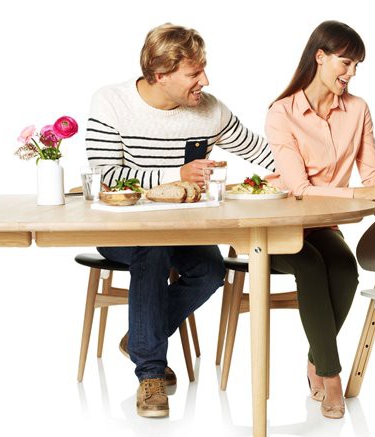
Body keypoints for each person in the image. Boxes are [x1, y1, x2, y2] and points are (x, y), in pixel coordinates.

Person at [84, 23, 275, 418]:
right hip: (120, 229)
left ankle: (141, 337)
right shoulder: (111, 103)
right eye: (194, 73)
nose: (204, 80)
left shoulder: (208, 109)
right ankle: (150, 376)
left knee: (210, 270)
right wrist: (174, 177)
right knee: (152, 252)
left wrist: (298, 174)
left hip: (183, 229)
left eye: (202, 69)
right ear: (160, 75)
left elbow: (258, 149)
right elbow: (105, 177)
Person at [264, 20, 375, 419]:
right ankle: (332, 376)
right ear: (319, 57)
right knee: (309, 266)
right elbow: (299, 188)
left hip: (323, 224)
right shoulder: (281, 112)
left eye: (357, 66)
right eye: (346, 62)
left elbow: (371, 178)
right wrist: (358, 193)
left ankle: (315, 359)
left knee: (345, 271)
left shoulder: (357, 110)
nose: (351, 73)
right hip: (277, 224)